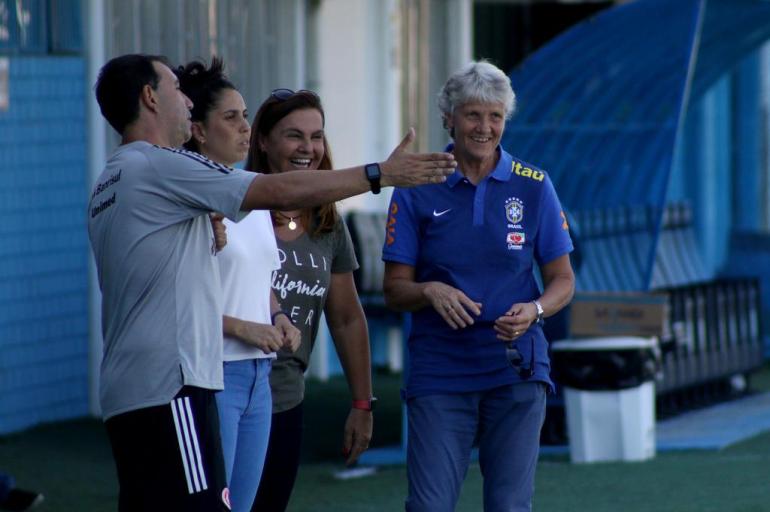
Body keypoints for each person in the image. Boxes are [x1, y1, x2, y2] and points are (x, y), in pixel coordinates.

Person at [88, 53, 455, 512]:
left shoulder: (114, 177)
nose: (186, 101)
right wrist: (378, 174)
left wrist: (265, 300)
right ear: (149, 97)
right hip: (172, 385)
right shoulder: (159, 165)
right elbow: (278, 189)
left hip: (136, 388)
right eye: (177, 91)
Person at [382, 60, 575, 512]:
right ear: (449, 118)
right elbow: (394, 289)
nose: (484, 127)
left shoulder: (534, 185)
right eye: (472, 114)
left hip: (516, 367)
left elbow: (563, 279)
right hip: (441, 367)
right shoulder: (416, 187)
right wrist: (430, 290)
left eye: (495, 116)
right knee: (428, 506)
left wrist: (536, 311)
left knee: (509, 506)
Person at [176, 57, 301, 512]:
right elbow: (175, 298)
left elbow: (257, 276)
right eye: (231, 117)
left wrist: (278, 315)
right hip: (214, 374)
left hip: (259, 376)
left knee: (245, 506)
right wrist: (243, 329)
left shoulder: (254, 193)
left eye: (246, 115)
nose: (246, 127)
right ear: (199, 131)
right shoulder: (186, 200)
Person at [249, 89, 374, 512]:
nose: (308, 149)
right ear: (263, 141)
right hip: (228, 388)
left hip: (286, 394)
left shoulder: (327, 222)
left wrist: (362, 404)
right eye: (294, 136)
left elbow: (346, 319)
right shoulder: (235, 207)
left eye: (316, 136)